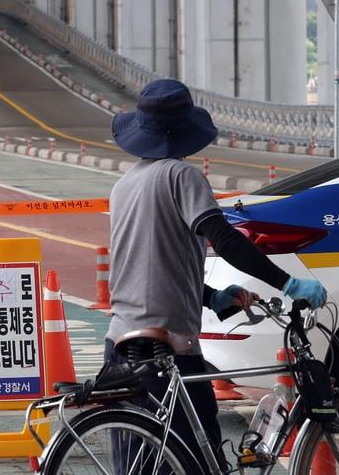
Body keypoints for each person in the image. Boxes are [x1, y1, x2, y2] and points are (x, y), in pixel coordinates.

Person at [106, 78, 326, 472]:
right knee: (201, 458)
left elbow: (150, 264)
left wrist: (212, 297)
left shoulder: (125, 184)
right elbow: (224, 239)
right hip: (165, 345)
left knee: (140, 461)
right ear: (186, 130)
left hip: (121, 340)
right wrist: (289, 284)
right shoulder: (182, 175)